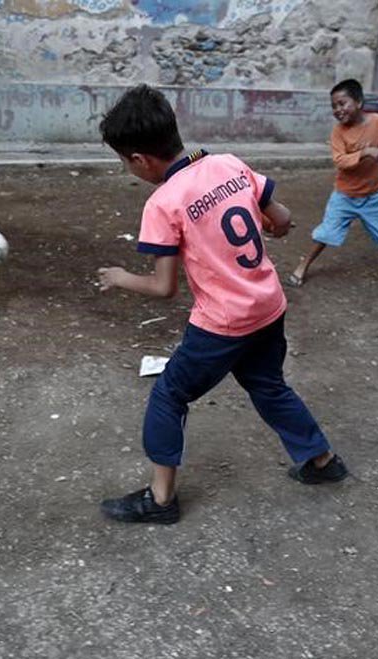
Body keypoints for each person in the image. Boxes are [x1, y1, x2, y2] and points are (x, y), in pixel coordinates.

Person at [96, 84, 347, 525]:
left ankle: (160, 500)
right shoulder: (228, 163)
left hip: (223, 323)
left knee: (169, 394)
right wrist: (274, 228)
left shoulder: (163, 202)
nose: (128, 169)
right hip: (268, 305)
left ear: (139, 159)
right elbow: (282, 219)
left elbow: (164, 288)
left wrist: (120, 278)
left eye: (125, 162)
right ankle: (322, 460)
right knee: (268, 385)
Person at [288, 78, 378, 288]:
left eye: (342, 103)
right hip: (344, 196)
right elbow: (340, 161)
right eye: (333, 106)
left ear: (359, 102)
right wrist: (365, 152)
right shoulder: (338, 132)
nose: (337, 110)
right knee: (326, 233)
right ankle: (303, 265)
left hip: (374, 195)